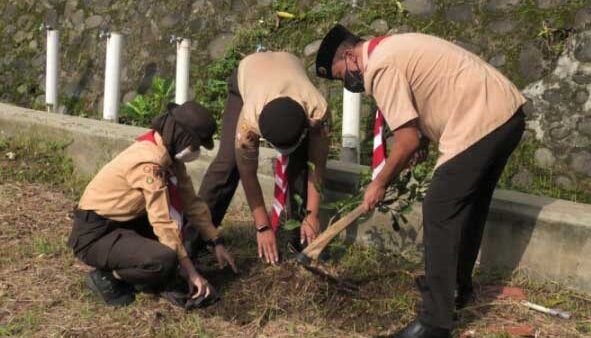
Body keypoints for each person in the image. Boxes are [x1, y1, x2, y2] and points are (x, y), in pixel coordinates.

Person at [315, 25, 526, 338]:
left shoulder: (380, 66)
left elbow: (406, 139)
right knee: (469, 204)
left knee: (439, 208)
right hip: (506, 114)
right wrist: (423, 142)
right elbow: (430, 97)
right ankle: (457, 287)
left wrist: (380, 182)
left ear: (350, 56)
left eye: (340, 74)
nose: (346, 82)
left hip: (479, 120)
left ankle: (434, 322)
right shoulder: (392, 48)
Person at [68, 101, 238, 307]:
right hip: (95, 234)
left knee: (179, 232)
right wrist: (190, 271)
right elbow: (163, 220)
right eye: (194, 145)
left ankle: (142, 263)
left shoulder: (169, 158)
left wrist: (215, 240)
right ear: (181, 136)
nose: (195, 152)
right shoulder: (149, 164)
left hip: (126, 223)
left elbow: (191, 203)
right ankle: (109, 278)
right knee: (164, 260)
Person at [199, 51, 330, 264]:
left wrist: (313, 214)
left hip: (290, 73)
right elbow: (247, 173)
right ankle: (198, 236)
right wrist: (263, 225)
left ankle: (301, 238)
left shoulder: (318, 112)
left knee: (299, 165)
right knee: (227, 163)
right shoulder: (249, 121)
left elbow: (317, 166)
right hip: (249, 73)